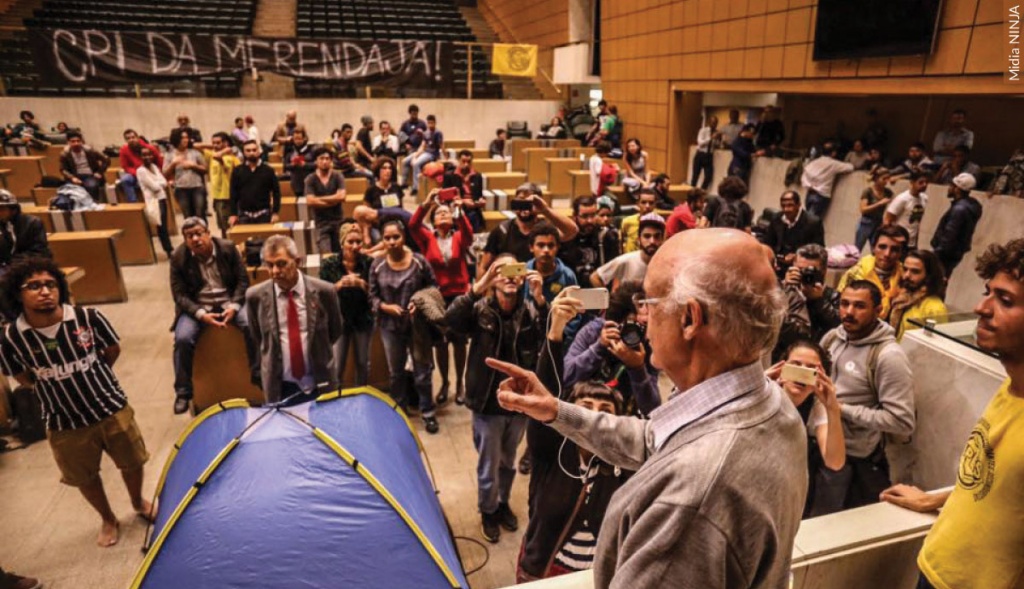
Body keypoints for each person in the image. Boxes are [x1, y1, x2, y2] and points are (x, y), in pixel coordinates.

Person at [486, 228, 806, 587]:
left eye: (651, 304)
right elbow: (655, 439)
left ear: (689, 319)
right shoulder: (774, 404)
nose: (641, 320)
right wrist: (557, 411)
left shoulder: (690, 503)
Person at [880, 238, 1024, 589]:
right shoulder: (1010, 387)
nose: (981, 307)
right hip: (936, 567)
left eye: (1004, 300)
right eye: (988, 293)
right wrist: (934, 498)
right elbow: (997, 486)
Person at [0, 258, 153, 548]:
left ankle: (138, 501)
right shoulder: (10, 338)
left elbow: (111, 350)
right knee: (84, 475)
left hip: (110, 407)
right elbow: (20, 375)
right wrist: (49, 383)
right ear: (17, 294)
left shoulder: (88, 317)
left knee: (132, 460)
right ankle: (108, 518)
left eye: (50, 284)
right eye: (33, 286)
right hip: (63, 421)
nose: (45, 291)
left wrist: (91, 377)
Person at [516, 288, 629, 583]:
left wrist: (640, 369)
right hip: (547, 573)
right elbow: (548, 396)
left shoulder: (623, 462)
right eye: (585, 407)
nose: (593, 415)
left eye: (604, 409)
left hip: (600, 577)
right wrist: (555, 332)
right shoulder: (551, 452)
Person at [446, 254, 548, 543]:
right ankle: (488, 511)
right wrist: (479, 285)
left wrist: (540, 299)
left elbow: (548, 338)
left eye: (515, 271)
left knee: (508, 461)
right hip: (487, 404)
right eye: (501, 272)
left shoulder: (529, 311)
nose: (509, 277)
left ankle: (503, 504)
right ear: (493, 277)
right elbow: (451, 321)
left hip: (517, 403)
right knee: (489, 464)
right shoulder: (479, 310)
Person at [819, 280, 915, 509]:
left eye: (860, 306)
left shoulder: (888, 356)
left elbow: (902, 421)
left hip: (856, 461)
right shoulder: (832, 338)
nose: (849, 312)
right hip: (819, 447)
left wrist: (839, 409)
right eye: (844, 304)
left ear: (878, 310)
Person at [169, 217, 254, 414]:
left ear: (208, 233)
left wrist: (233, 306)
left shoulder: (228, 248)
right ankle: (183, 392)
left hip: (230, 302)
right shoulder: (179, 257)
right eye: (190, 236)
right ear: (185, 240)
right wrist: (200, 314)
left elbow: (243, 281)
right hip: (198, 307)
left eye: (199, 233)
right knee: (182, 338)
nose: (196, 239)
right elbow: (179, 295)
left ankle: (258, 374)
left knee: (251, 325)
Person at [245, 235, 343, 404]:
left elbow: (335, 330)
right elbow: (259, 338)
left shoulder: (324, 291)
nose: (275, 271)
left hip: (320, 381)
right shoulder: (255, 296)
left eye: (281, 263)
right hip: (280, 385)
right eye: (269, 265)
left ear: (297, 261)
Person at [368, 220, 439, 432]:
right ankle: (399, 411)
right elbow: (371, 296)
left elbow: (434, 287)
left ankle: (428, 412)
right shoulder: (377, 265)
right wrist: (385, 307)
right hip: (390, 326)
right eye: (387, 238)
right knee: (395, 372)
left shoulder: (419, 262)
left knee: (422, 371)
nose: (391, 242)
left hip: (417, 327)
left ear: (403, 238)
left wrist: (420, 302)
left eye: (395, 237)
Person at [408, 191, 473, 406]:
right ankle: (445, 383)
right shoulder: (427, 238)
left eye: (447, 213)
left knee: (460, 342)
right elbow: (413, 225)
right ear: (434, 220)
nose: (443, 215)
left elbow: (469, 234)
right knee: (442, 343)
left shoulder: (458, 237)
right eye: (439, 213)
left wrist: (459, 210)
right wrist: (427, 203)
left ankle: (460, 384)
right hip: (438, 297)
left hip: (459, 295)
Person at [766, 340, 845, 517]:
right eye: (796, 365)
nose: (801, 372)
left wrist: (833, 409)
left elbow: (835, 461)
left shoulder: (817, 404)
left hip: (792, 490)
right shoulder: (765, 393)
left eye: (810, 368)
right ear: (782, 367)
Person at [564, 280, 661, 416]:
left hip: (622, 419)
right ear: (617, 321)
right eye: (632, 325)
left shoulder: (648, 344)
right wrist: (598, 348)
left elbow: (652, 409)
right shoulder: (595, 331)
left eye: (645, 324)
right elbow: (565, 377)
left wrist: (637, 368)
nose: (638, 332)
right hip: (584, 413)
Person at [479, 183, 579, 276]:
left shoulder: (545, 230)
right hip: (510, 282)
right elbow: (484, 266)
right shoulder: (502, 230)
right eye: (521, 201)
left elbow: (572, 231)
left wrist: (545, 210)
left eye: (529, 203)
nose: (525, 207)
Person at [319, 223, 374, 387]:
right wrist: (337, 286)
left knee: (363, 363)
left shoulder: (369, 263)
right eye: (351, 242)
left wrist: (362, 284)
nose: (355, 246)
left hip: (363, 319)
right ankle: (337, 399)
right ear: (342, 243)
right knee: (337, 366)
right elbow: (321, 295)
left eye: (359, 242)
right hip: (339, 320)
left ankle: (361, 396)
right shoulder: (329, 264)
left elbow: (377, 293)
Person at [778, 244, 841, 354]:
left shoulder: (833, 297)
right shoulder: (782, 290)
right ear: (793, 267)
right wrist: (785, 289)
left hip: (819, 351)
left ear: (824, 271)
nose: (806, 275)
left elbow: (838, 328)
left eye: (811, 271)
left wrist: (818, 301)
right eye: (800, 270)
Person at [838, 224, 909, 321]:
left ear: (901, 253)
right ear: (873, 248)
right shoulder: (855, 273)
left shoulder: (906, 277)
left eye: (895, 249)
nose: (887, 254)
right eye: (882, 247)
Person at [558, 196, 621, 288]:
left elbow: (616, 270)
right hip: (571, 288)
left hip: (598, 290)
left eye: (593, 215)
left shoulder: (606, 236)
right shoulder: (566, 237)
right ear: (575, 216)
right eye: (584, 216)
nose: (590, 220)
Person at [591, 213, 664, 288]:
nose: (652, 241)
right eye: (647, 236)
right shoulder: (625, 260)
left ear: (663, 239)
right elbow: (595, 277)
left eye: (657, 236)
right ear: (638, 239)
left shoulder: (669, 263)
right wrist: (607, 298)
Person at [931, 172, 983, 278]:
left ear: (957, 189)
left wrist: (937, 253)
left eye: (951, 186)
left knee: (935, 280)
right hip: (955, 253)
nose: (949, 188)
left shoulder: (959, 210)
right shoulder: (972, 206)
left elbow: (950, 234)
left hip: (944, 254)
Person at [889, 250, 948, 341]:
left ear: (929, 276)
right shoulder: (904, 297)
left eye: (915, 272)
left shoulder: (935, 308)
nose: (906, 276)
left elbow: (936, 344)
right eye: (905, 269)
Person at [355, 156, 409, 251]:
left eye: (390, 168)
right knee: (378, 239)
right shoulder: (371, 190)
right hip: (378, 227)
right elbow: (365, 217)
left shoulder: (396, 188)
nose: (387, 171)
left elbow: (401, 210)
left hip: (396, 225)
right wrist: (366, 235)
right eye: (384, 168)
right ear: (378, 171)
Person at [764, 190, 825, 271]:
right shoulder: (776, 219)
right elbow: (768, 243)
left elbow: (819, 250)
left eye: (790, 205)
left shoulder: (813, 223)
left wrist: (797, 256)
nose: (786, 209)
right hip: (778, 265)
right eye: (783, 206)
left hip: (801, 266)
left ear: (798, 205)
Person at [304, 147, 346, 254]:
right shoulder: (310, 179)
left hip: (338, 221)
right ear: (316, 161)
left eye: (327, 159)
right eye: (321, 158)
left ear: (331, 161)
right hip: (321, 223)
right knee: (326, 256)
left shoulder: (337, 176)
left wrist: (318, 199)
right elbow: (310, 202)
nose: (325, 161)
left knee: (341, 254)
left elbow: (342, 197)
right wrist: (334, 200)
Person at [229, 140, 281, 226]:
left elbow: (276, 192)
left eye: (254, 150)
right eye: (248, 150)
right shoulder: (237, 171)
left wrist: (275, 212)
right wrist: (233, 214)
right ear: (244, 152)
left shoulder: (268, 170)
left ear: (259, 151)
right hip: (244, 214)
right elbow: (233, 194)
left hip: (264, 214)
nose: (251, 153)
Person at [134, 147, 174, 256]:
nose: (147, 157)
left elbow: (164, 183)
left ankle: (169, 249)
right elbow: (155, 187)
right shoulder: (141, 171)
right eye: (144, 155)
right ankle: (169, 250)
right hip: (153, 201)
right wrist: (159, 183)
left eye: (149, 154)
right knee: (161, 227)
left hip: (162, 198)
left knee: (164, 225)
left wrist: (159, 183)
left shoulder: (154, 167)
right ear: (140, 157)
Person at [0, 190, 50, 274]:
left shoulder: (33, 223)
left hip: (31, 266)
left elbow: (39, 252)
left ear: (13, 209)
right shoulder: (2, 224)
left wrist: (11, 263)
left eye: (1, 209)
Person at [802, 141, 855, 219]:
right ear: (833, 153)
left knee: (809, 217)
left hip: (809, 194)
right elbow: (850, 167)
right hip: (821, 195)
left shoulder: (813, 162)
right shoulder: (833, 164)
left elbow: (804, 173)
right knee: (811, 221)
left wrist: (810, 185)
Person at [202, 132, 241, 238]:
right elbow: (195, 146)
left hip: (227, 196)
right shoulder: (212, 155)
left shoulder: (232, 158)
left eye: (218, 143)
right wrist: (221, 148)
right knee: (222, 227)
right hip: (216, 197)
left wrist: (226, 151)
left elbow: (219, 158)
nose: (215, 145)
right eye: (213, 143)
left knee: (229, 226)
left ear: (226, 143)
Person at [526, 224, 577, 303]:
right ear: (531, 248)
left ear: (557, 247)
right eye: (541, 245)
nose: (546, 250)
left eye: (551, 245)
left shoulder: (568, 275)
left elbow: (575, 309)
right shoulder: (523, 274)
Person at [163, 129, 208, 219]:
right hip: (181, 189)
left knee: (200, 215)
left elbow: (205, 169)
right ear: (176, 139)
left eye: (187, 137)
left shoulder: (195, 153)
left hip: (197, 187)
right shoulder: (169, 155)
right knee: (187, 216)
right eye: (182, 138)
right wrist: (173, 164)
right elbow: (165, 174)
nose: (185, 140)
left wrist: (193, 166)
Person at [884, 170, 930, 249]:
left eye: (926, 182)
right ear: (912, 182)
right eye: (921, 182)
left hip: (912, 242)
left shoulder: (924, 198)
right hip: (899, 241)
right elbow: (887, 220)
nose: (924, 185)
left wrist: (916, 242)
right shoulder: (902, 199)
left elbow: (917, 223)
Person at [443, 149, 486, 231]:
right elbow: (445, 197)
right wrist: (463, 201)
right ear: (458, 161)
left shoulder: (477, 176)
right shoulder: (449, 176)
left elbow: (479, 195)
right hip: (455, 207)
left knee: (473, 217)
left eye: (469, 162)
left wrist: (481, 201)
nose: (466, 164)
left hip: (473, 208)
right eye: (463, 161)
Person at [59, 131, 108, 202]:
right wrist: (72, 178)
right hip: (75, 176)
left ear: (82, 142)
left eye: (78, 141)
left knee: (91, 186)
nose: (76, 143)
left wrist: (99, 172)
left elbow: (106, 159)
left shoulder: (90, 150)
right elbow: (63, 169)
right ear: (68, 143)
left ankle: (93, 205)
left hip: (90, 175)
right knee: (66, 190)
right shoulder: (65, 154)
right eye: (73, 141)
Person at [403, 115, 444, 196]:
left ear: (435, 123)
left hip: (432, 154)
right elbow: (422, 146)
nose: (430, 125)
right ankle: (404, 183)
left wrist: (444, 156)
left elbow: (441, 146)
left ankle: (416, 188)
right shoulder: (426, 133)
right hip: (424, 152)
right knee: (405, 161)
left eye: (432, 123)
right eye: (429, 123)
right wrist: (415, 156)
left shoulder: (438, 133)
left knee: (416, 164)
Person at [855, 167, 894, 253]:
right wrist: (879, 203)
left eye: (888, 178)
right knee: (857, 249)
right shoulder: (868, 191)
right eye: (884, 179)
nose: (886, 181)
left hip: (878, 223)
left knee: (876, 250)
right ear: (876, 179)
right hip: (866, 222)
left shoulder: (888, 192)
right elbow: (863, 209)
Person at [118, 129, 163, 204]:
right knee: (125, 180)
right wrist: (138, 174)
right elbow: (125, 167)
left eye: (133, 137)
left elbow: (159, 163)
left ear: (137, 137)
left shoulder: (149, 148)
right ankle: (133, 204)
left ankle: (151, 202)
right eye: (128, 138)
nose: (131, 140)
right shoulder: (123, 150)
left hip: (150, 173)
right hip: (135, 174)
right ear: (126, 140)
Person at [619, 189, 657, 253]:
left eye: (651, 203)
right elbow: (620, 243)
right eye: (643, 202)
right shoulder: (627, 222)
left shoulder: (659, 224)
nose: (647, 206)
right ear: (638, 204)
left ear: (655, 205)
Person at [691, 115, 720, 190]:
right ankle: (691, 192)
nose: (714, 125)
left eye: (716, 123)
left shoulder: (717, 132)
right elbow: (700, 143)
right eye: (713, 123)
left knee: (708, 176)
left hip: (709, 156)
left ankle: (701, 191)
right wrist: (711, 138)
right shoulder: (703, 130)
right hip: (700, 154)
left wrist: (719, 141)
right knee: (695, 176)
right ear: (709, 123)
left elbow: (715, 145)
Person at [284, 128, 316, 197]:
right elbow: (285, 166)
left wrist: (305, 164)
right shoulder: (290, 150)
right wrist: (292, 165)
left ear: (304, 138)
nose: (297, 141)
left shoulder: (311, 149)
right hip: (296, 183)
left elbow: (316, 164)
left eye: (299, 139)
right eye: (295, 139)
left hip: (310, 182)